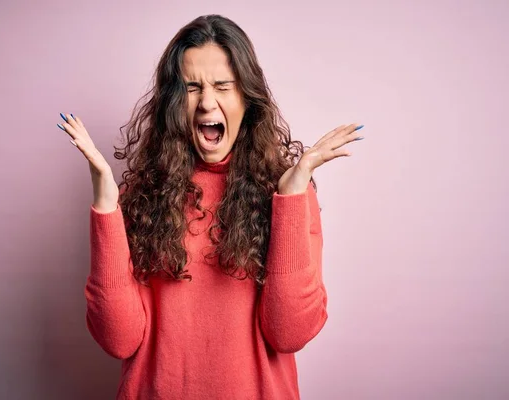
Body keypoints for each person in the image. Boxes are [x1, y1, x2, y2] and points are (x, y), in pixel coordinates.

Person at [56, 14, 364, 400]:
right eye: (191, 87)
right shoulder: (144, 195)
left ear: (246, 99)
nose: (206, 102)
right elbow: (119, 339)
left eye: (222, 86)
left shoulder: (289, 194)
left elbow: (289, 333)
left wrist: (291, 196)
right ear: (173, 102)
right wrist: (105, 201)